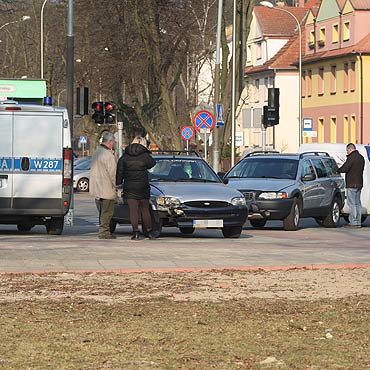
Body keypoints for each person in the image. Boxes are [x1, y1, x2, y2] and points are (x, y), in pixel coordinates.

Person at [116, 136, 156, 240]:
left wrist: (119, 184)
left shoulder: (125, 156)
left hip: (129, 186)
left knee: (133, 211)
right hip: (143, 186)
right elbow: (152, 164)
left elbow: (119, 171)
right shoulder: (145, 155)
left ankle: (135, 232)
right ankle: (149, 231)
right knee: (145, 210)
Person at [90, 132, 117, 239]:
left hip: (97, 187)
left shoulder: (96, 152)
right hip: (106, 188)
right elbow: (113, 174)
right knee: (107, 212)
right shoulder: (108, 155)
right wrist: (117, 186)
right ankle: (104, 232)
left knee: (102, 212)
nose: (114, 144)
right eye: (114, 142)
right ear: (110, 142)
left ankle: (104, 230)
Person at [338, 143, 365, 228]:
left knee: (352, 203)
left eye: (347, 150)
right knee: (358, 203)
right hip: (359, 183)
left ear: (350, 149)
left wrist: (337, 170)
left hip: (351, 183)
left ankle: (353, 222)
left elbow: (345, 168)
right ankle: (358, 222)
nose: (347, 152)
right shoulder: (361, 158)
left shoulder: (351, 158)